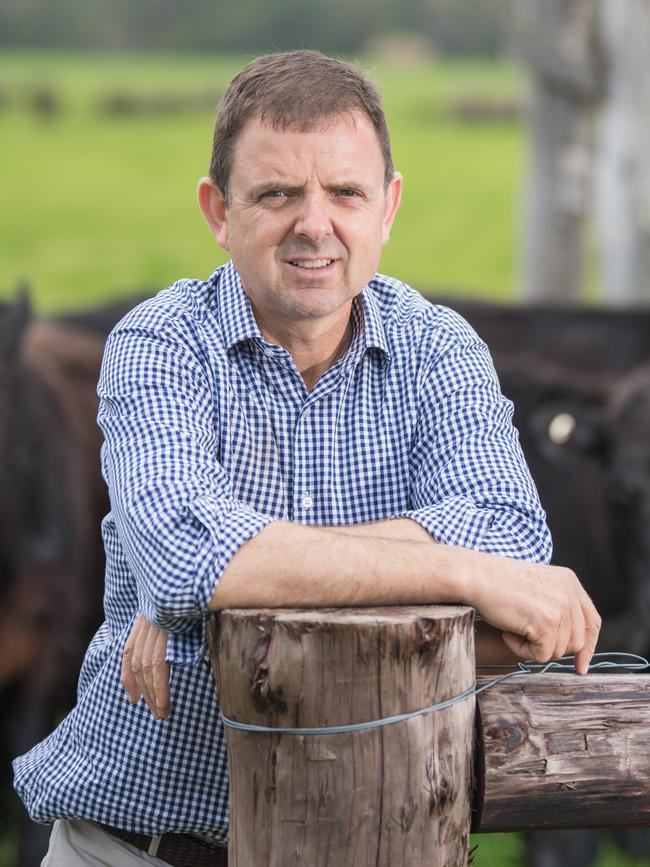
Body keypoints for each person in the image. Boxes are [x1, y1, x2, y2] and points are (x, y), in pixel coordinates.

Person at [14, 50, 600, 866]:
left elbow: (510, 543)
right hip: (139, 849)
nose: (314, 224)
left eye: (346, 193)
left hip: (376, 842)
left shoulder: (441, 349)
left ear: (388, 206)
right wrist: (463, 573)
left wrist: (229, 587)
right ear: (219, 210)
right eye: (277, 193)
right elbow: (188, 557)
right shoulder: (160, 343)